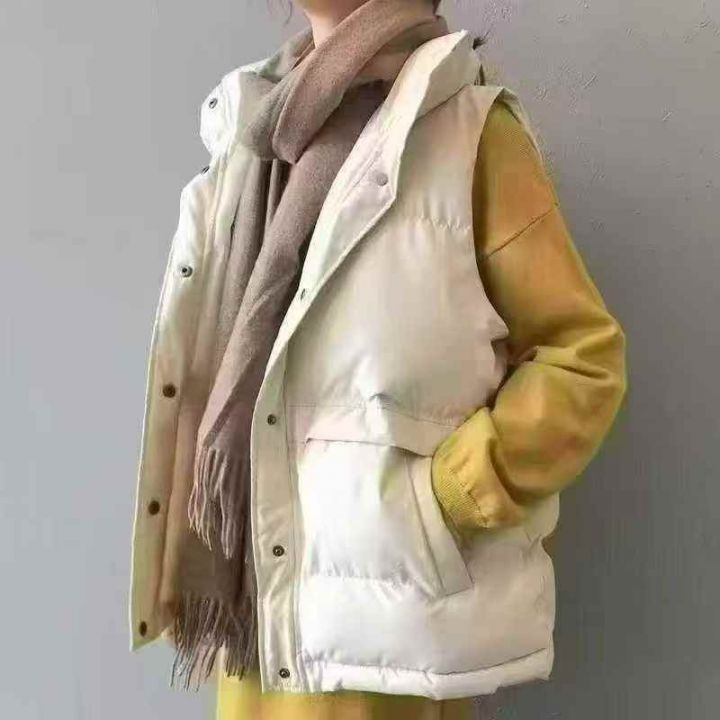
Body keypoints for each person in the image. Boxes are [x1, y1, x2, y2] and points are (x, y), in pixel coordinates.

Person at [128, 0, 628, 718]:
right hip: (257, 614)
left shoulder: (469, 132)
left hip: (388, 624)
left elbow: (582, 358)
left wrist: (441, 503)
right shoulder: (250, 133)